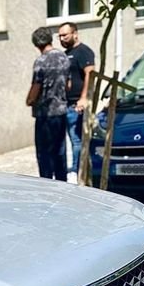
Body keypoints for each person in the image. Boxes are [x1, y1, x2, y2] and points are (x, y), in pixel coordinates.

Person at [26, 27, 70, 182]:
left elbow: (36, 86)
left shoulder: (41, 61)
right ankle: (62, 183)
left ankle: (46, 184)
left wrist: (29, 100)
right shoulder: (63, 57)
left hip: (46, 114)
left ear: (37, 44)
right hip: (61, 111)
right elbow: (68, 85)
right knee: (60, 151)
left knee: (44, 154)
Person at [58, 21, 96, 183]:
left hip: (76, 104)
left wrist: (84, 98)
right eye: (59, 36)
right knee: (66, 139)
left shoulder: (83, 52)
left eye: (65, 35)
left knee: (76, 139)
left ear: (75, 34)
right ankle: (69, 169)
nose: (62, 39)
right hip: (64, 103)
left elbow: (90, 74)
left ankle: (76, 170)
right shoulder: (66, 54)